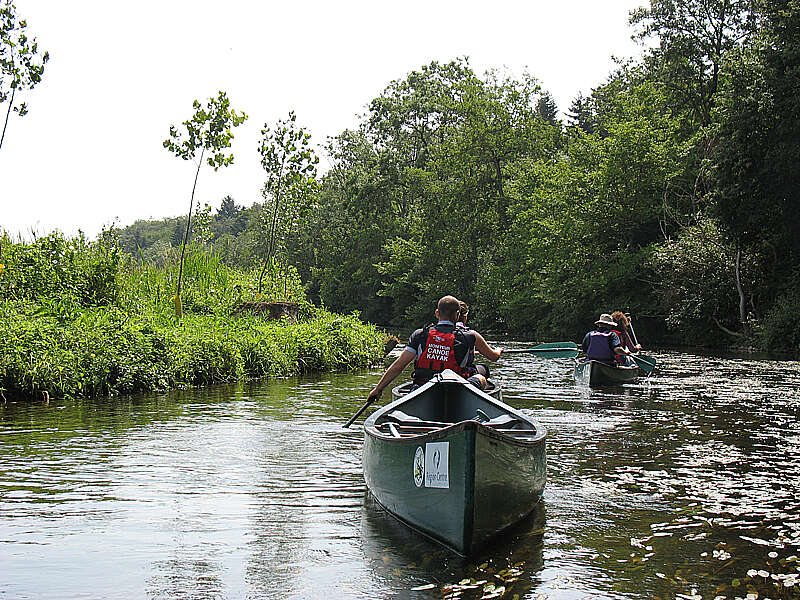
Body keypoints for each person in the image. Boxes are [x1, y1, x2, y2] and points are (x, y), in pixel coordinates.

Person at [367, 295, 503, 401]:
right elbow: (493, 357)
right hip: (457, 389)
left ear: (437, 313)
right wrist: (499, 350)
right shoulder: (471, 336)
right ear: (457, 315)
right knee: (482, 376)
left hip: (424, 387)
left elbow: (399, 366)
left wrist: (378, 389)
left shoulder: (420, 335)